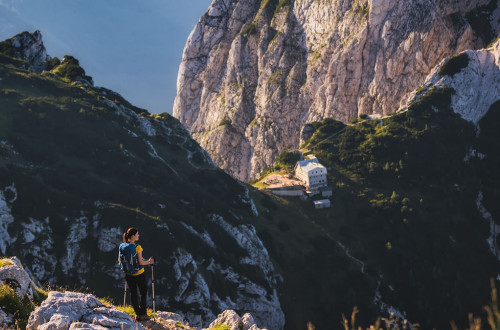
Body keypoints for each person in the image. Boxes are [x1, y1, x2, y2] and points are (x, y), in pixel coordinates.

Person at [121, 227, 155, 321]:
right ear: (133, 236)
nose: (138, 235)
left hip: (128, 274)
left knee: (133, 293)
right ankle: (142, 314)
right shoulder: (137, 247)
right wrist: (150, 262)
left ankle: (137, 313)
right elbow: (140, 263)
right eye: (137, 234)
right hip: (139, 274)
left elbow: (120, 260)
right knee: (143, 292)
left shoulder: (123, 246)